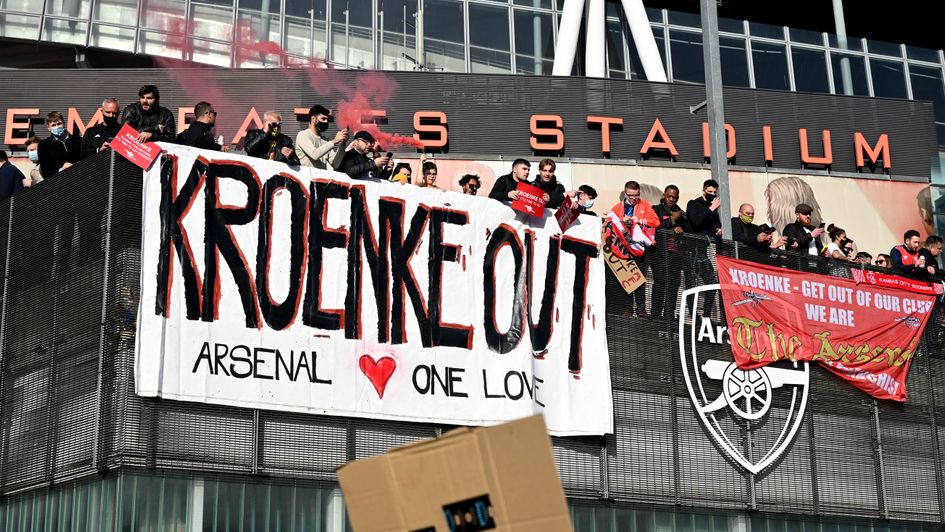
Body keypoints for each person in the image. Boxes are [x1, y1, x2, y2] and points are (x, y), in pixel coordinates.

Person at [609, 180, 659, 318]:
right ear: (625, 194)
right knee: (626, 278)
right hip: (623, 249)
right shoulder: (617, 208)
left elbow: (656, 222)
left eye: (636, 195)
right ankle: (627, 308)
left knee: (640, 279)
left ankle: (641, 309)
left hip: (640, 249)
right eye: (631, 195)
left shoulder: (645, 205)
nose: (634, 198)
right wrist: (621, 221)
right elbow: (610, 223)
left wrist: (640, 221)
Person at [685, 179, 723, 318]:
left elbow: (714, 225)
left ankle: (706, 314)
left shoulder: (713, 211)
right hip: (691, 250)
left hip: (703, 252)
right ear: (704, 191)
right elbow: (696, 222)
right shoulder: (693, 204)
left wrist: (718, 231)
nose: (712, 194)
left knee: (712, 282)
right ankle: (694, 316)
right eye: (710, 192)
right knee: (692, 285)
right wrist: (711, 209)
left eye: (714, 192)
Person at [650, 185, 686, 320]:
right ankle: (655, 314)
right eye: (669, 196)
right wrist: (671, 220)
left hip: (675, 253)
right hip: (659, 253)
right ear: (664, 196)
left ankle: (669, 314)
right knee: (660, 282)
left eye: (674, 197)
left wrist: (681, 229)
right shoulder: (656, 209)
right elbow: (654, 226)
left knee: (674, 283)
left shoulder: (680, 213)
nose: (671, 199)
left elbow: (687, 230)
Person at [296, 104, 349, 169]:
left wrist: (342, 144)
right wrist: (335, 140)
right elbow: (314, 155)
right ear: (313, 119)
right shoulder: (303, 135)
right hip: (307, 178)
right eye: (323, 119)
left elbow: (335, 164)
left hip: (321, 178)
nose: (326, 122)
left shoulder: (326, 140)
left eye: (327, 119)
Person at [38, 111, 81, 179]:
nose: (57, 127)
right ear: (48, 128)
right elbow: (45, 172)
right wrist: (61, 170)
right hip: (60, 182)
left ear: (64, 123)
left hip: (79, 177)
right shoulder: (44, 145)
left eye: (59, 124)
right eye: (53, 125)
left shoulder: (78, 140)